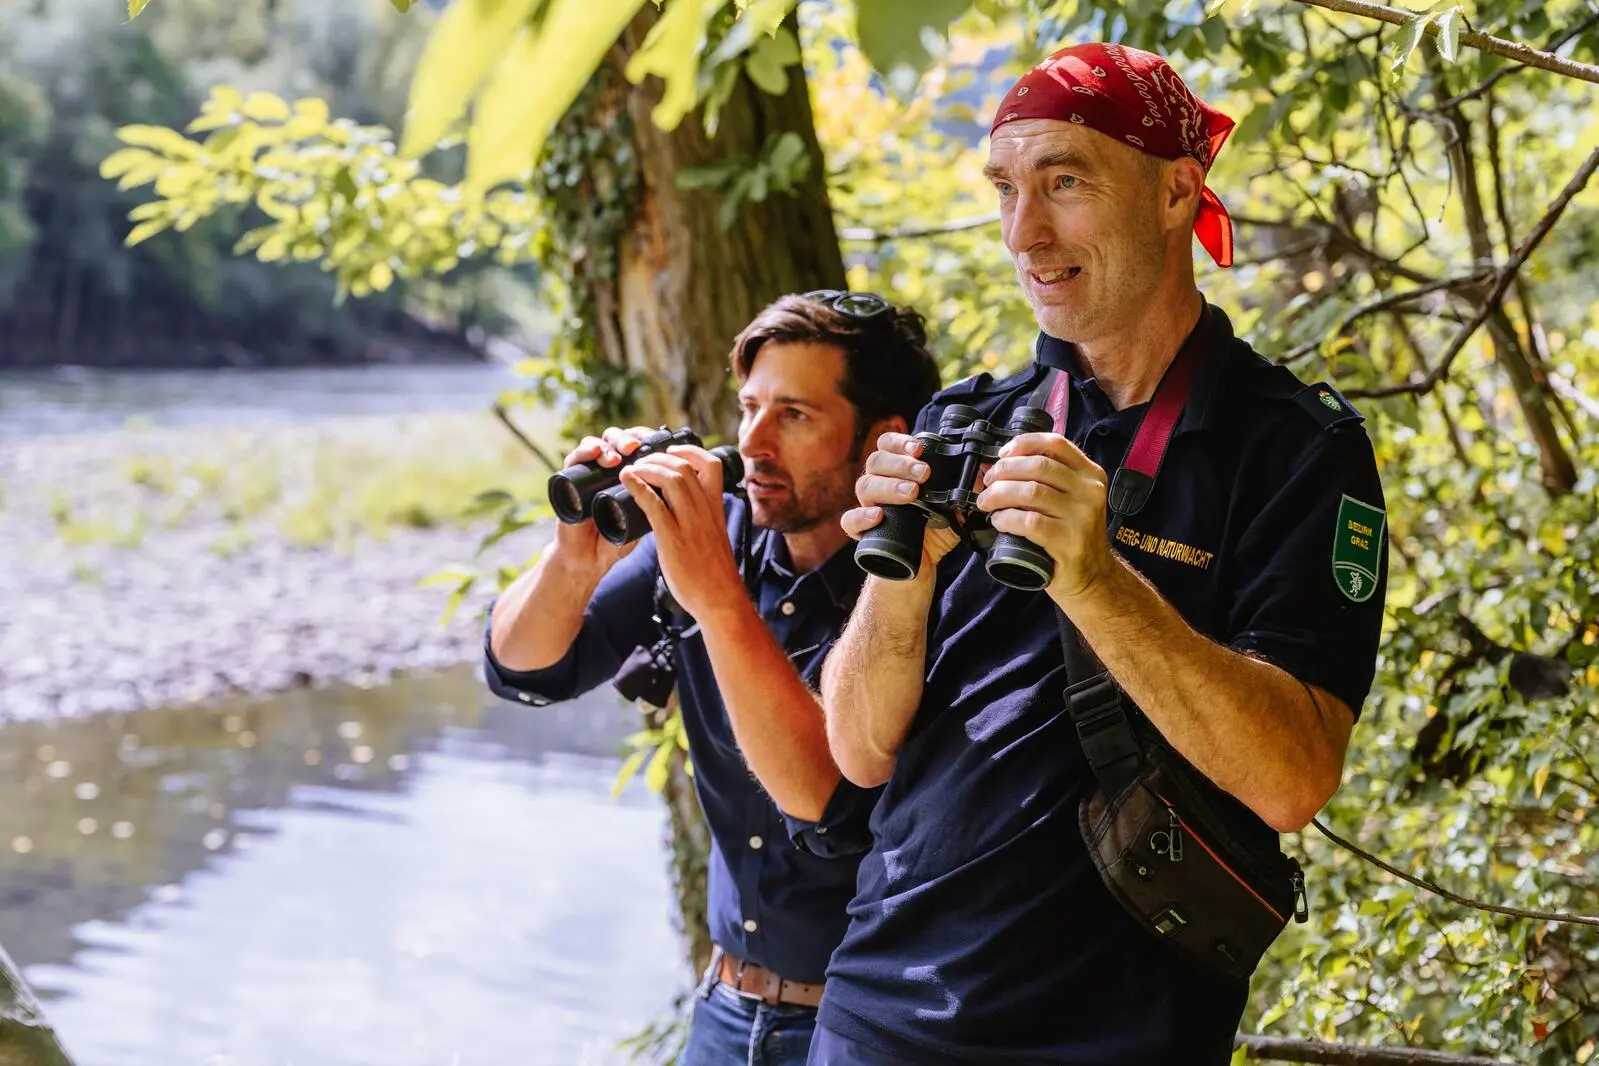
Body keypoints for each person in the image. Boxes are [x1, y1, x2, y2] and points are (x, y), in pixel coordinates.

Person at [811, 43, 1390, 1065]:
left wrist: (1097, 577)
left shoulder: (1295, 446)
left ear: (1176, 192)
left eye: (1065, 183)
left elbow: (1295, 777)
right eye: (1004, 189)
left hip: (1115, 1032)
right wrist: (894, 584)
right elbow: (858, 751)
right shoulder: (967, 418)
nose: (1024, 233)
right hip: (879, 1012)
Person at [484, 291, 942, 1066]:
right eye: (748, 408)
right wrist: (573, 560)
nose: (754, 443)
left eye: (793, 415)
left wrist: (716, 598)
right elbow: (524, 672)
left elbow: (830, 803)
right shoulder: (718, 536)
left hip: (873, 1028)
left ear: (881, 439)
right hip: (727, 1010)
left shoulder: (914, 585)